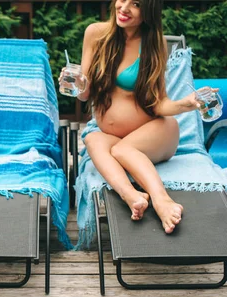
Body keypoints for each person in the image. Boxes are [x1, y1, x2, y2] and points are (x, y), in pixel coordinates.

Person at [63, 0, 213, 233]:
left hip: (156, 132)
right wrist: (78, 83)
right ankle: (132, 196)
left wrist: (187, 104)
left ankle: (162, 200)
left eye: (136, 4)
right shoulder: (95, 33)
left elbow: (159, 103)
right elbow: (85, 96)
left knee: (123, 150)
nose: (124, 8)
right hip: (113, 136)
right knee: (92, 139)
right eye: (122, 0)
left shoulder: (155, 44)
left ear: (148, 12)